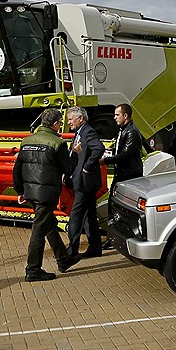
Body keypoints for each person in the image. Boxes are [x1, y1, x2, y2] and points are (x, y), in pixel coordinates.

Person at [12, 109, 81, 282]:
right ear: (56, 123)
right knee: (39, 230)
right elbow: (68, 169)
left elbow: (17, 169)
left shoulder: (26, 141)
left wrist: (20, 191)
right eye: (60, 123)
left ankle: (63, 260)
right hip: (47, 193)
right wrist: (76, 154)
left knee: (48, 224)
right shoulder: (57, 143)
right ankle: (33, 269)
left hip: (31, 192)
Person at [65, 106, 105, 259]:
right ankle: (95, 247)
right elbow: (80, 154)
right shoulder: (80, 133)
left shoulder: (88, 131)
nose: (69, 122)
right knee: (89, 215)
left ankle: (72, 250)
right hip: (83, 180)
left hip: (85, 182)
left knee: (76, 215)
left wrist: (88, 167)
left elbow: (99, 148)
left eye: (70, 119)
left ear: (80, 118)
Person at [101, 104, 143, 249]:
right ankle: (113, 237)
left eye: (117, 115)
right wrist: (109, 151)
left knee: (123, 207)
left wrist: (105, 161)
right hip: (123, 173)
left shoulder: (132, 132)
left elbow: (125, 155)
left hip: (129, 175)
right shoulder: (123, 130)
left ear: (126, 116)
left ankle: (122, 236)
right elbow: (119, 149)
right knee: (113, 205)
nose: (114, 118)